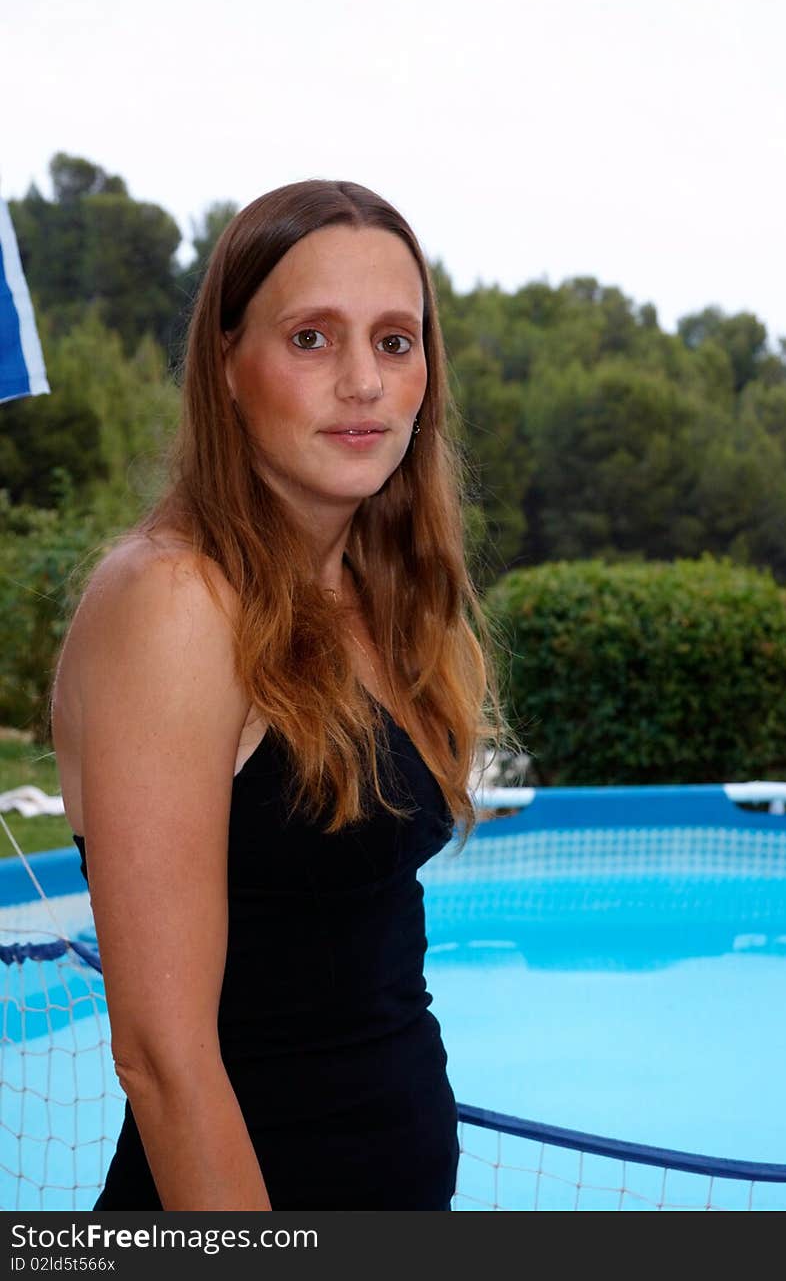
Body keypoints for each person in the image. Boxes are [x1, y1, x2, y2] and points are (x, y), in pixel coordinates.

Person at [50, 180, 506, 1211]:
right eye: (311, 339)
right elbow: (162, 1061)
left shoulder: (389, 604)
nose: (363, 382)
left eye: (395, 342)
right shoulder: (172, 601)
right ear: (225, 367)